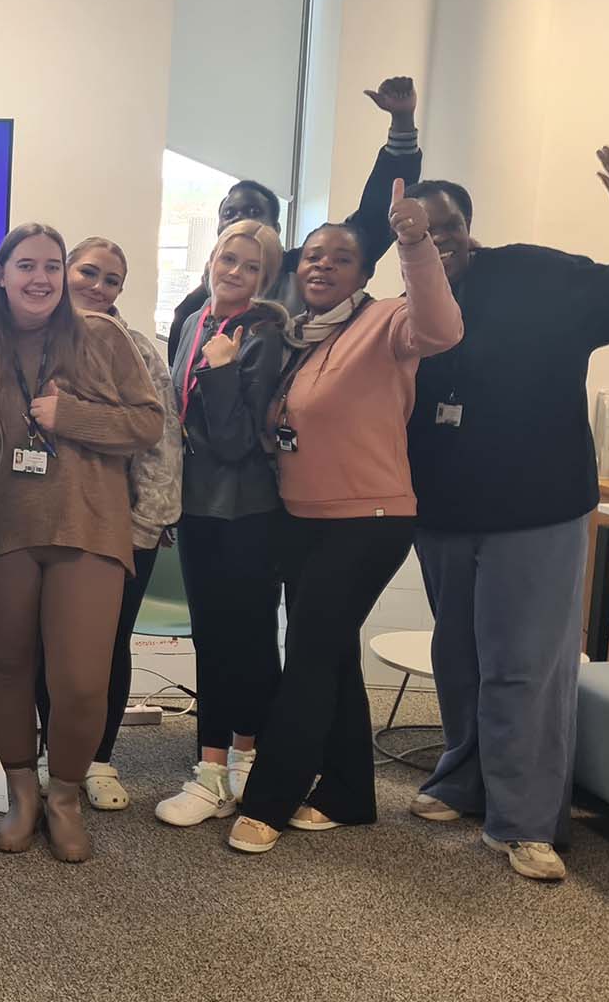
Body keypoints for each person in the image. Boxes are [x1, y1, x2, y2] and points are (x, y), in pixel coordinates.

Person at [403, 149, 609, 882]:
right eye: (421, 232)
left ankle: (523, 821)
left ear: (470, 227)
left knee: (525, 667)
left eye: (449, 228)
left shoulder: (536, 274)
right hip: (445, 513)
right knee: (458, 658)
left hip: (538, 508)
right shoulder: (410, 294)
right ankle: (462, 780)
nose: (438, 242)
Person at [227, 181, 463, 854]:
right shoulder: (295, 337)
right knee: (329, 656)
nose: (322, 266)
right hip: (302, 520)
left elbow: (443, 328)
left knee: (306, 657)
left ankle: (268, 802)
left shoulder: (388, 320)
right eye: (313, 258)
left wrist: (415, 243)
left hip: (370, 518)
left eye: (340, 258)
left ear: (364, 273)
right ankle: (350, 794)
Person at [0, 223, 163, 862]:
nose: (39, 278)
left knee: (78, 682)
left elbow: (149, 423)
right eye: (26, 266)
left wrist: (75, 419)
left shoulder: (102, 338)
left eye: (51, 265)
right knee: (7, 668)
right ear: (3, 276)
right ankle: (23, 792)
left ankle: (64, 794)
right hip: (6, 535)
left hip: (88, 530)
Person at [154, 220, 289, 828]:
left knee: (250, 639)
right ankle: (209, 771)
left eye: (250, 267)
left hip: (248, 508)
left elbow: (237, 441)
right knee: (210, 636)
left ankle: (247, 760)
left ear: (268, 278)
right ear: (211, 256)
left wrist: (224, 370)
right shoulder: (193, 322)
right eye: (227, 258)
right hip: (198, 504)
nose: (233, 272)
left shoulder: (266, 332)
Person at [46, 236, 183, 812]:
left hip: (122, 528)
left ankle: (97, 759)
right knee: (47, 647)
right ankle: (53, 756)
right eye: (89, 273)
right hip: (50, 524)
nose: (98, 288)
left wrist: (144, 526)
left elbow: (162, 441)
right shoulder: (37, 337)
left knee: (106, 646)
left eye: (112, 281)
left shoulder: (137, 350)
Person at [166, 77, 423, 363]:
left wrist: (402, 122)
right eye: (230, 214)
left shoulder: (306, 270)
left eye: (253, 213)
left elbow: (373, 219)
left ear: (275, 230)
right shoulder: (192, 310)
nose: (240, 220)